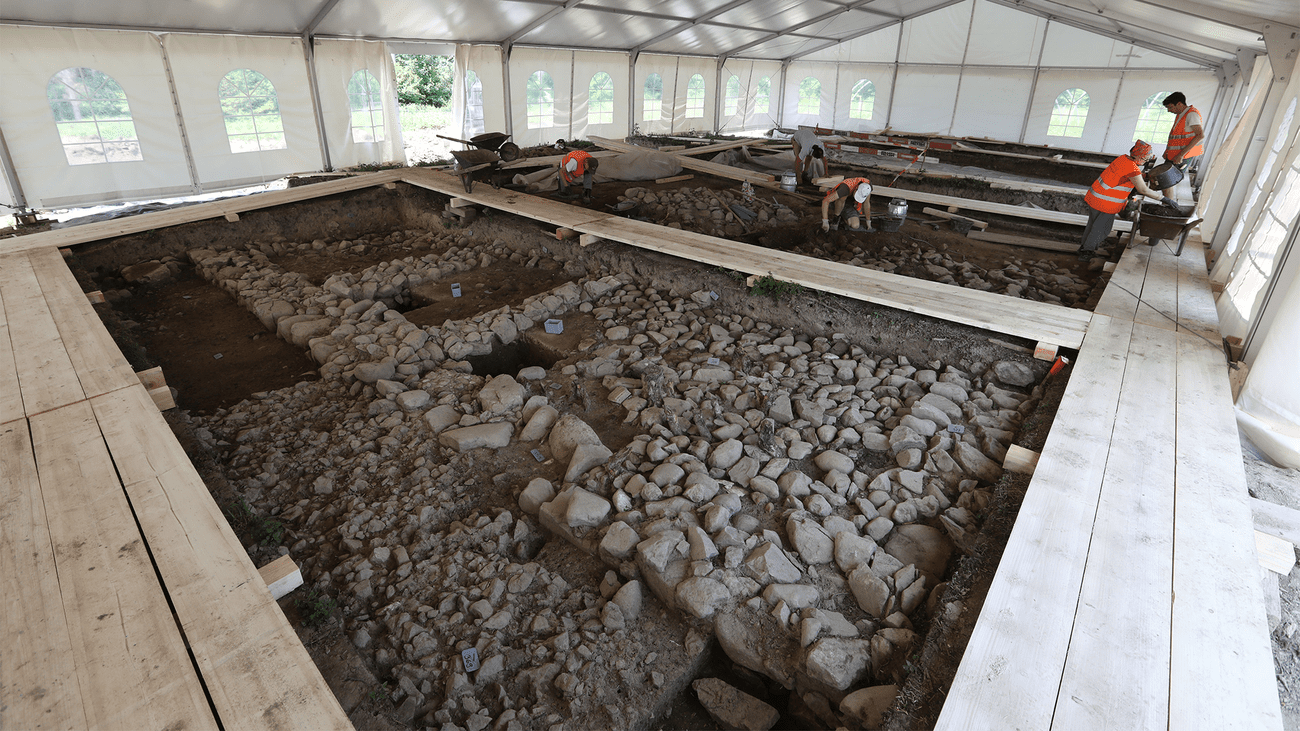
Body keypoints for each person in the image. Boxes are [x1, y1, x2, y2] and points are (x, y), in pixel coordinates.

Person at [1079, 140, 1175, 261]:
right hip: (1105, 203)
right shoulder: (1132, 168)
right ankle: (1087, 252)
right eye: (1146, 159)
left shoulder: (1123, 159)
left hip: (1095, 197)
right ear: (1140, 157)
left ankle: (1084, 247)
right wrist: (1164, 198)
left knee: (1092, 224)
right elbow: (1143, 190)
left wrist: (1143, 176)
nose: (1146, 162)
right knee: (1102, 228)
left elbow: (1126, 176)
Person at [1159, 91, 1205, 197]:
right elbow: (1176, 137)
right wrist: (1167, 152)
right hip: (1175, 154)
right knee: (1166, 179)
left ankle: (1167, 204)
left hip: (1183, 155)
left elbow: (1200, 135)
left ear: (1179, 104)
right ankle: (1167, 203)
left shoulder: (1191, 114)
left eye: (1170, 107)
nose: (1169, 111)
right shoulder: (1181, 114)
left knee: (1168, 180)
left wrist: (1181, 155)